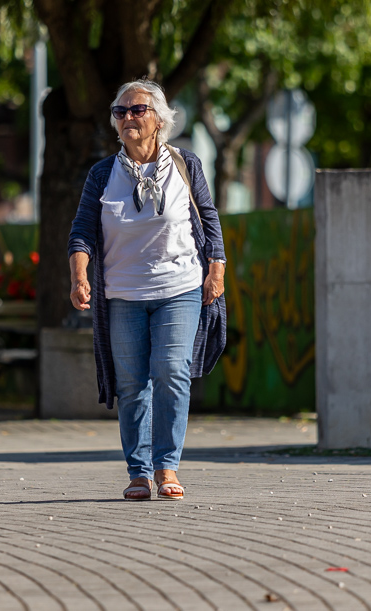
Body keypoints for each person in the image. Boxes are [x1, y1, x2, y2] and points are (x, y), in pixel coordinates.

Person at [68, 79, 226, 501]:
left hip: (180, 286)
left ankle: (167, 466)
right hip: (123, 292)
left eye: (137, 110)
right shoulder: (103, 174)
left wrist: (217, 268)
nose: (128, 118)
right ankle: (139, 472)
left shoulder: (186, 164)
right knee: (132, 382)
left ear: (159, 119)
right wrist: (80, 277)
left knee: (171, 369)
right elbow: (82, 231)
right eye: (120, 112)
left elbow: (208, 217)